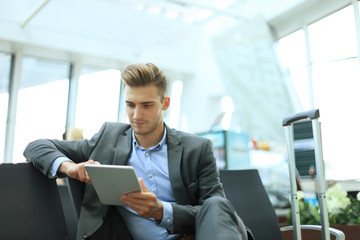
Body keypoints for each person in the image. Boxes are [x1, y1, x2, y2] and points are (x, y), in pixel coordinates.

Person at [24, 63, 250, 240]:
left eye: (147, 105)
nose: (136, 115)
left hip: (194, 237)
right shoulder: (107, 138)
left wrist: (162, 211)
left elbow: (218, 211)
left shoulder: (197, 148)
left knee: (217, 203)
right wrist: (70, 167)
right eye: (130, 105)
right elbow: (36, 146)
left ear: (165, 103)